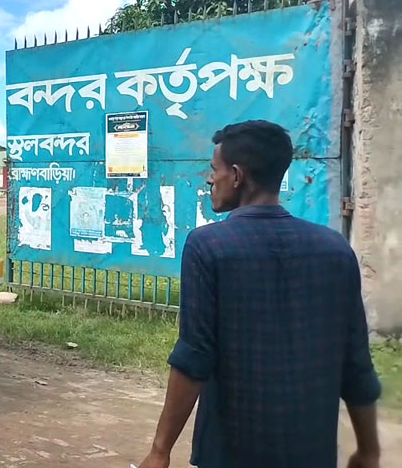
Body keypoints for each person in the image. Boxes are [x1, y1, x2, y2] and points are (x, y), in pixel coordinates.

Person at [138, 120, 381, 468]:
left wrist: (160, 451)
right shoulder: (335, 249)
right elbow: (356, 362)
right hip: (312, 452)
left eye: (214, 170)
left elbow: (194, 357)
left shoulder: (209, 246)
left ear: (237, 176)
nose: (209, 180)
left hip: (230, 452)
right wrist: (368, 450)